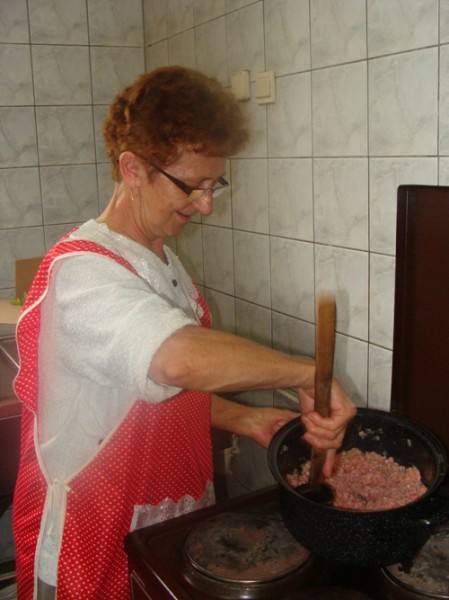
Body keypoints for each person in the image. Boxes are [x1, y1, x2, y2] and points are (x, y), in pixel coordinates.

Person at [13, 66, 356, 600]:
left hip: (163, 519)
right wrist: (307, 373)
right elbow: (177, 359)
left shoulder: (161, 260)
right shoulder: (81, 273)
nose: (206, 203)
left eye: (214, 183)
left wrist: (245, 418)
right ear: (132, 168)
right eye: (191, 185)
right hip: (94, 527)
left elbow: (146, 391)